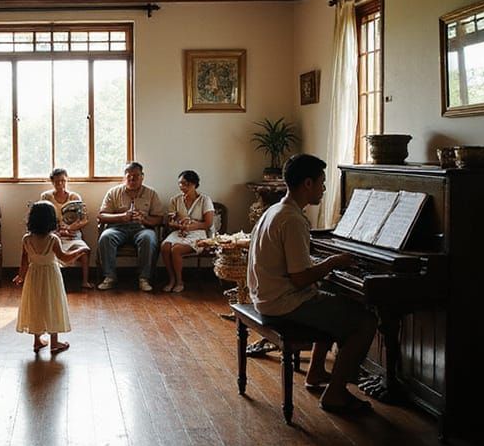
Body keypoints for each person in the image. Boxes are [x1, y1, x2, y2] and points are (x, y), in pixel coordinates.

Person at [247, 153, 378, 413]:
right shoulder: (293, 219)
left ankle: (317, 371)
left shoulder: (275, 209)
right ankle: (336, 394)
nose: (324, 189)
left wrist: (326, 266)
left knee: (328, 293)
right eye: (322, 182)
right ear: (307, 184)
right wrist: (332, 263)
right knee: (365, 321)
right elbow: (300, 278)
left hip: (266, 295)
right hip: (282, 303)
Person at [14, 201, 86, 354]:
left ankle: (37, 340)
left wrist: (20, 276)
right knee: (53, 305)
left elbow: (24, 262)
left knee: (36, 305)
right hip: (51, 276)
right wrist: (80, 250)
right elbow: (64, 258)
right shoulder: (53, 239)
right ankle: (54, 342)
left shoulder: (26, 239)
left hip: (33, 276)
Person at [96, 161, 164, 292]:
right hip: (117, 228)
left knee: (149, 239)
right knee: (105, 237)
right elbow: (101, 216)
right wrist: (121, 217)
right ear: (124, 177)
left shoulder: (151, 193)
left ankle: (144, 278)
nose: (132, 179)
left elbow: (159, 218)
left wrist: (145, 219)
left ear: (142, 176)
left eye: (136, 176)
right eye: (129, 176)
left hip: (142, 228)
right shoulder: (113, 192)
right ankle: (109, 277)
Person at [160, 170, 215, 293]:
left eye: (186, 184)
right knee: (165, 246)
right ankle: (172, 279)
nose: (182, 187)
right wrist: (175, 224)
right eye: (180, 184)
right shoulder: (175, 199)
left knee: (176, 249)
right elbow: (171, 221)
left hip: (198, 232)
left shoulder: (204, 200)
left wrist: (190, 226)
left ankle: (180, 281)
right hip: (180, 231)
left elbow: (207, 224)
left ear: (194, 184)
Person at [39, 168, 93, 289]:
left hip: (72, 233)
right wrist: (58, 231)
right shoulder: (46, 197)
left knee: (84, 251)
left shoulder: (74, 197)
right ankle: (52, 281)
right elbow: (42, 218)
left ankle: (85, 281)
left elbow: (85, 219)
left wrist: (71, 227)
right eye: (57, 181)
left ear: (67, 180)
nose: (60, 184)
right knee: (50, 248)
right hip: (54, 233)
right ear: (52, 182)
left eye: (63, 181)